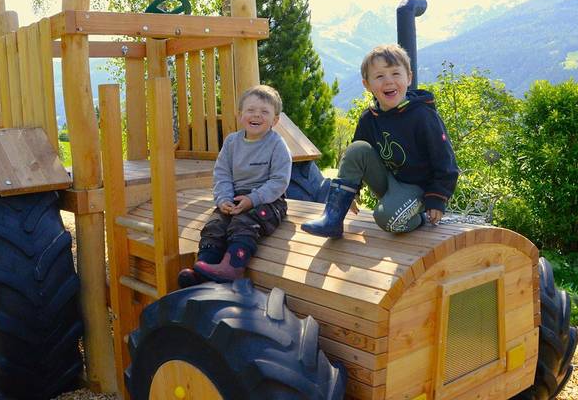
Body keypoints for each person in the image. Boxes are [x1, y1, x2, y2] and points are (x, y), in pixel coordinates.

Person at [302, 44, 458, 237]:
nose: (388, 81)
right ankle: (332, 219)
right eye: (379, 76)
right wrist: (351, 191)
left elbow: (446, 161)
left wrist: (437, 199)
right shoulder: (369, 118)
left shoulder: (423, 116)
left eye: (395, 74)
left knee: (386, 219)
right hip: (388, 183)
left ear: (408, 77)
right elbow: (355, 159)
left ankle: (419, 217)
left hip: (419, 190)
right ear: (367, 85)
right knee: (357, 148)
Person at [178, 85, 292, 286]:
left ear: (275, 120)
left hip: (268, 200)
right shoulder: (232, 142)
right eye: (251, 110)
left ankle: (233, 266)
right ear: (240, 115)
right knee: (215, 224)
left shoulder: (277, 145)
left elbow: (279, 181)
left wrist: (253, 199)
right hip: (234, 197)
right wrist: (223, 199)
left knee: (243, 222)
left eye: (264, 112)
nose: (257, 115)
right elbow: (222, 174)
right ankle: (204, 267)